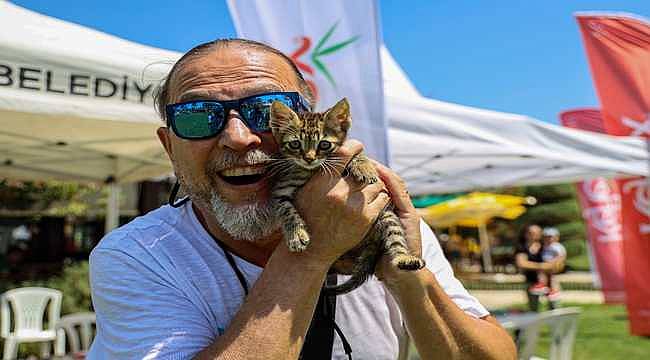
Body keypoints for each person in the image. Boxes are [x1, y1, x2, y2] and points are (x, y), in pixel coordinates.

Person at [87, 39, 516, 359]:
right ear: (170, 147)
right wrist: (310, 256)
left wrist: (406, 275)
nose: (238, 137)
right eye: (198, 117)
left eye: (266, 109)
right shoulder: (139, 253)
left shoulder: (380, 218)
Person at [515, 224, 563, 312]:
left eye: (537, 233)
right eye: (531, 233)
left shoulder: (545, 246)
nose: (534, 235)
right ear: (526, 234)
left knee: (554, 307)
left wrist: (553, 266)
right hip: (531, 281)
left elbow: (558, 261)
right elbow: (521, 263)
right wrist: (542, 266)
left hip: (550, 280)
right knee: (533, 308)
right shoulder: (522, 247)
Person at [539, 227, 566, 304]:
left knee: (553, 278)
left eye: (550, 237)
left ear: (556, 237)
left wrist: (553, 263)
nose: (548, 239)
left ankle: (554, 291)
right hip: (545, 265)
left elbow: (561, 256)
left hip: (553, 265)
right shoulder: (543, 246)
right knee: (542, 275)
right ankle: (543, 287)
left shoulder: (557, 246)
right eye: (546, 237)